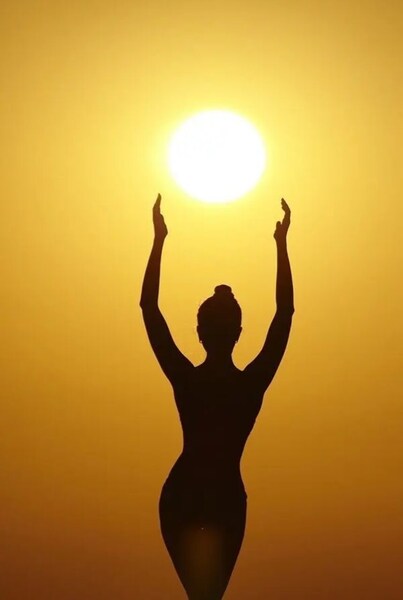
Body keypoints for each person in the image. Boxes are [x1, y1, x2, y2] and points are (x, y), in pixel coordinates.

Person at [140, 194, 294, 600]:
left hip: (186, 491)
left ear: (199, 332)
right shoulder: (249, 385)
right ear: (238, 333)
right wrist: (281, 247)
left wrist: (159, 240)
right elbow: (284, 314)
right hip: (222, 495)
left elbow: (149, 308)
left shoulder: (188, 380)